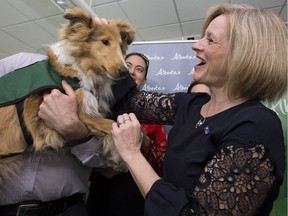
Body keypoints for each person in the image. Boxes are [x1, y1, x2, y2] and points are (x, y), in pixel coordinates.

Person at [110, 3, 287, 215]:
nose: (196, 45)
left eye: (210, 40)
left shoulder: (257, 126)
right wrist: (108, 49)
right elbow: (129, 101)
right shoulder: (192, 104)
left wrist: (132, 154)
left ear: (243, 55)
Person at [0, 48, 135, 215]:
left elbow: (108, 164)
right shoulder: (21, 63)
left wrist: (77, 132)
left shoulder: (108, 95)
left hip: (67, 208)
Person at [86, 52, 167, 216]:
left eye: (139, 69)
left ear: (143, 80)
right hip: (100, 194)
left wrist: (142, 143)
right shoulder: (97, 109)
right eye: (128, 66)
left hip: (136, 194)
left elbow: (161, 162)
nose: (132, 72)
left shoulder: (152, 117)